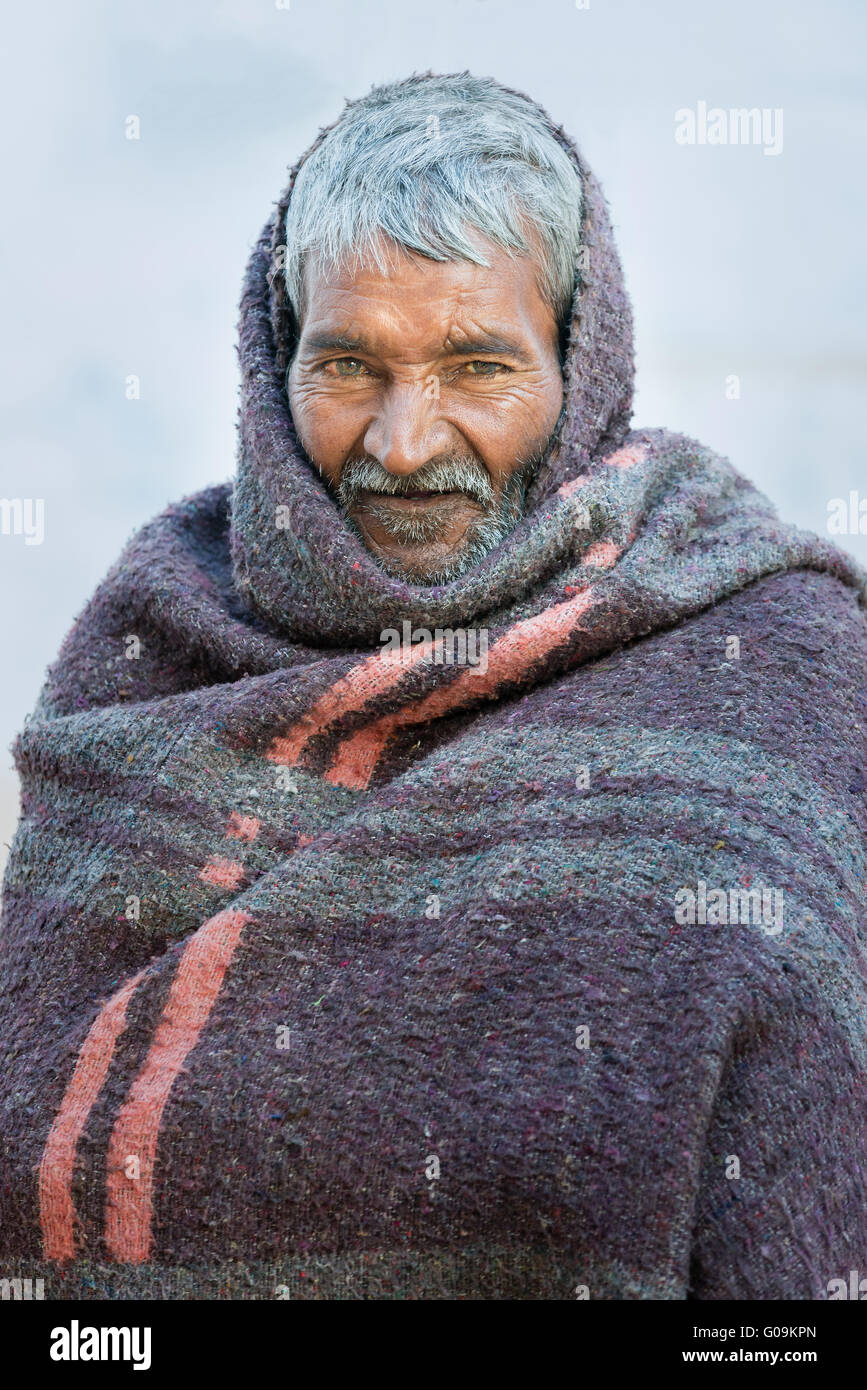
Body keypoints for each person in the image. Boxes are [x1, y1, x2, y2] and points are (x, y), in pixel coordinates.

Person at [1, 71, 865, 1301]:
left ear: (582, 360)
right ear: (273, 360)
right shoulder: (160, 632)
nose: (406, 444)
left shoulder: (769, 652)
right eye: (350, 364)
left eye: (478, 367)